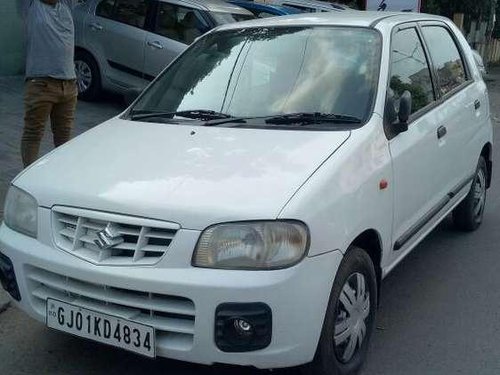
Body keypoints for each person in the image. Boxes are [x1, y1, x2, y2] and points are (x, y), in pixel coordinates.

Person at [19, 0, 77, 167]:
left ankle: (59, 180)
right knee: (33, 134)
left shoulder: (66, 4)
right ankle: (28, 182)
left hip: (69, 85)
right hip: (41, 85)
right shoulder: (31, 5)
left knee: (64, 139)